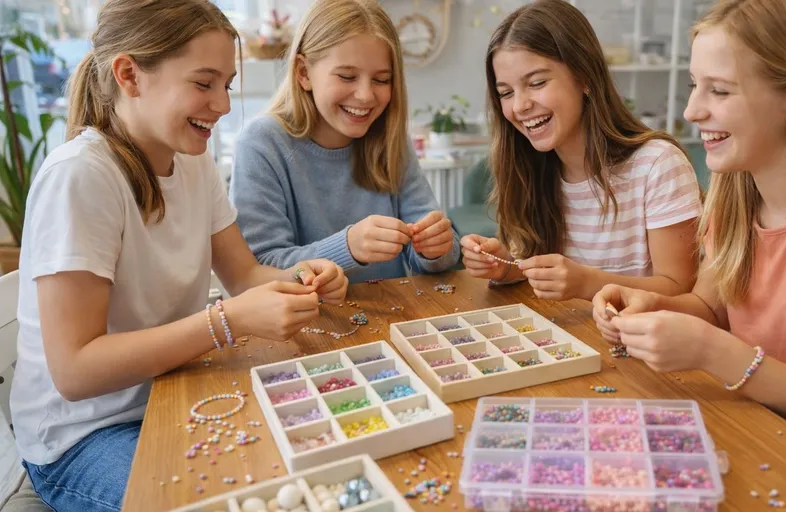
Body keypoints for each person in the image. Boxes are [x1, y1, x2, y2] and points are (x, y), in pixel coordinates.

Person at [10, 1, 348, 509]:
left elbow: (244, 273)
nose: (223, 105)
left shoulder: (193, 161)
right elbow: (75, 371)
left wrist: (301, 276)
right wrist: (225, 322)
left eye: (226, 85)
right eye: (203, 83)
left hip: (173, 392)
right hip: (83, 439)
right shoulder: (80, 177)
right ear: (129, 75)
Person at [593, 0, 786, 500]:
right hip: (761, 429)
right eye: (697, 85)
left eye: (718, 90)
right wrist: (652, 306)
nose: (691, 110)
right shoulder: (736, 189)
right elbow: (710, 309)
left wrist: (710, 351)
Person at [460, 0, 702, 302]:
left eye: (536, 83)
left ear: (584, 76)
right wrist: (507, 266)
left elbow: (681, 289)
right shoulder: (532, 167)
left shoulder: (659, 165)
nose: (520, 105)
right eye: (506, 93)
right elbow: (544, 272)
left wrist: (588, 283)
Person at [230, 0, 460, 284]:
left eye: (382, 79)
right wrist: (347, 247)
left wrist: (438, 249)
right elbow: (259, 268)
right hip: (303, 322)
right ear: (303, 73)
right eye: (347, 76)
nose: (365, 95)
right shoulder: (262, 143)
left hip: (389, 318)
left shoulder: (390, 139)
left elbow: (433, 258)